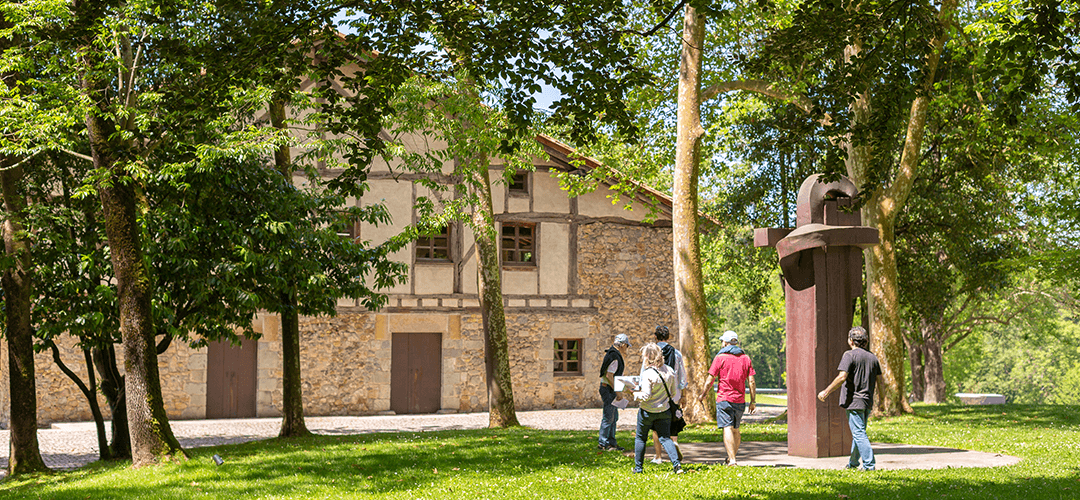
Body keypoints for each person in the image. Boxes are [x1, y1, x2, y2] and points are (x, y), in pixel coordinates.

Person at [817, 326, 882, 471]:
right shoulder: (873, 357)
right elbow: (880, 381)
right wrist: (882, 400)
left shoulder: (849, 355)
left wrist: (826, 391)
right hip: (867, 401)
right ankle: (853, 464)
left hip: (854, 401)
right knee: (859, 433)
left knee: (859, 434)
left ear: (851, 341)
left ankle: (869, 465)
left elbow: (842, 377)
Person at [621, 343, 683, 474]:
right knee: (665, 438)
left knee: (640, 438)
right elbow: (673, 393)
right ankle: (677, 465)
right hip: (664, 410)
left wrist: (632, 392)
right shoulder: (670, 371)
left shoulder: (648, 373)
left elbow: (646, 395)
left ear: (648, 357)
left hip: (647, 411)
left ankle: (638, 468)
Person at [697, 330, 756, 466]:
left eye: (722, 341)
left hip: (724, 399)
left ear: (725, 342)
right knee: (735, 429)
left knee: (727, 428)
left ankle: (733, 460)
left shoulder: (720, 358)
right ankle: (731, 458)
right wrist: (753, 401)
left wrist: (703, 394)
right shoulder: (746, 358)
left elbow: (710, 380)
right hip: (740, 400)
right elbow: (751, 381)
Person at [649, 325, 687, 464]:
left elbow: (644, 373)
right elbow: (682, 375)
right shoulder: (676, 353)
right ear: (669, 337)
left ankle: (658, 456)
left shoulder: (650, 353)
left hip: (655, 393)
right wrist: (683, 394)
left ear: (655, 337)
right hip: (673, 392)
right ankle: (674, 446)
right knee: (673, 420)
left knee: (656, 424)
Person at [598, 333, 631, 451]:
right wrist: (618, 392)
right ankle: (603, 443)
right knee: (608, 417)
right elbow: (609, 375)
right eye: (627, 346)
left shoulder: (613, 354)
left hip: (609, 388)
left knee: (614, 417)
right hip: (608, 389)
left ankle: (611, 442)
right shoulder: (615, 356)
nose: (626, 348)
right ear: (622, 345)